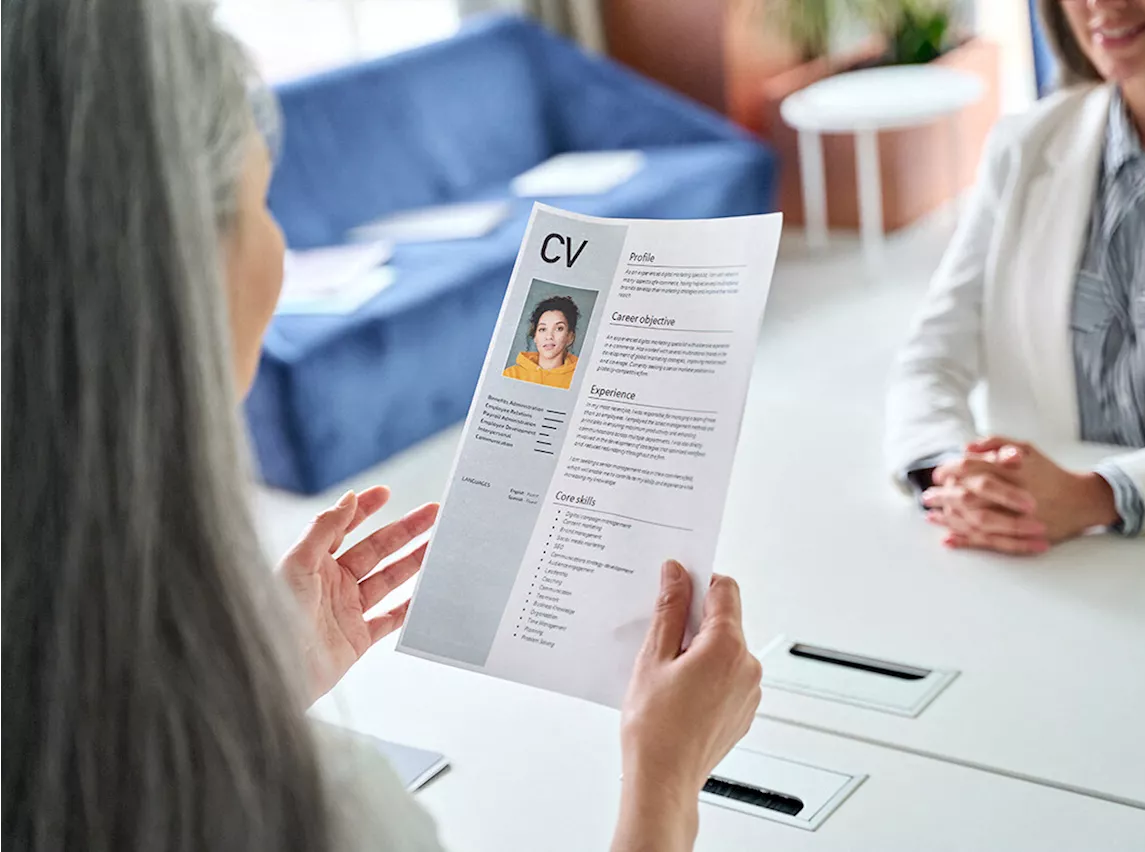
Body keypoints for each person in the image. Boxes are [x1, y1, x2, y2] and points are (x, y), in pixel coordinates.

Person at [0, 2, 762, 851]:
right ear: (185, 270)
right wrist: (666, 776)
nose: (279, 243)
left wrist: (256, 688)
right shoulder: (319, 811)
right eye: (263, 200)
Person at [885, 0, 1145, 554]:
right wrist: (953, 474)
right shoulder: (1024, 146)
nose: (1103, 5)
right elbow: (930, 360)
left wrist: (1101, 495)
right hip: (1037, 567)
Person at [503, 295, 581, 389]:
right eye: (543, 329)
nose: (549, 336)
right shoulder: (511, 375)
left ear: (570, 337)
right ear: (535, 336)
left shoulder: (579, 380)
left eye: (559, 328)